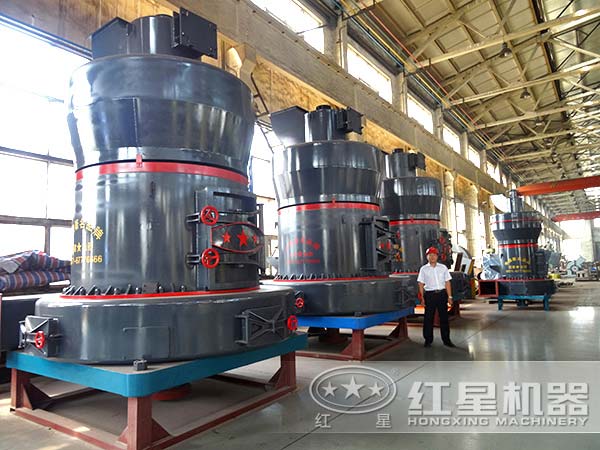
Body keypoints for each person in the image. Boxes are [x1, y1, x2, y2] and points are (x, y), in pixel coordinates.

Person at [417, 246, 455, 348]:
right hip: (430, 295)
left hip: (442, 294)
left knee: (444, 318)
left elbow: (447, 282)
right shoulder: (423, 269)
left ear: (437, 256)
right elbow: (421, 284)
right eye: (430, 255)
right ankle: (428, 340)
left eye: (434, 255)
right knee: (428, 318)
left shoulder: (443, 268)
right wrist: (422, 297)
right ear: (427, 257)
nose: (432, 257)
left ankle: (446, 340)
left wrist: (450, 296)